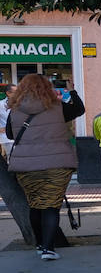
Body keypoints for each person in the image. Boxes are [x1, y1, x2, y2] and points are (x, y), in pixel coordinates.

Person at [4, 75, 85, 259]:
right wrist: (71, 91)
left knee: (35, 205)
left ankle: (40, 245)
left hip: (26, 166)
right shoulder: (57, 107)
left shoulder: (15, 110)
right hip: (57, 165)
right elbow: (79, 110)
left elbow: (10, 134)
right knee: (50, 206)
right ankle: (48, 249)